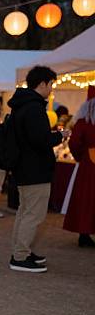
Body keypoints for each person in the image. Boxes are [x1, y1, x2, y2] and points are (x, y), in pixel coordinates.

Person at [8, 66, 70, 273]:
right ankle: (20, 255)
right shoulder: (33, 108)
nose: (52, 89)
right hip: (35, 169)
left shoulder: (22, 105)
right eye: (51, 84)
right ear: (42, 83)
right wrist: (59, 136)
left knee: (25, 212)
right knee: (33, 215)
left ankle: (21, 251)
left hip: (24, 168)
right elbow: (39, 140)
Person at [62, 88, 95, 247]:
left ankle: (84, 232)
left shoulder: (83, 122)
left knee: (86, 198)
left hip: (89, 164)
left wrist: (81, 156)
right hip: (89, 162)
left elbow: (74, 142)